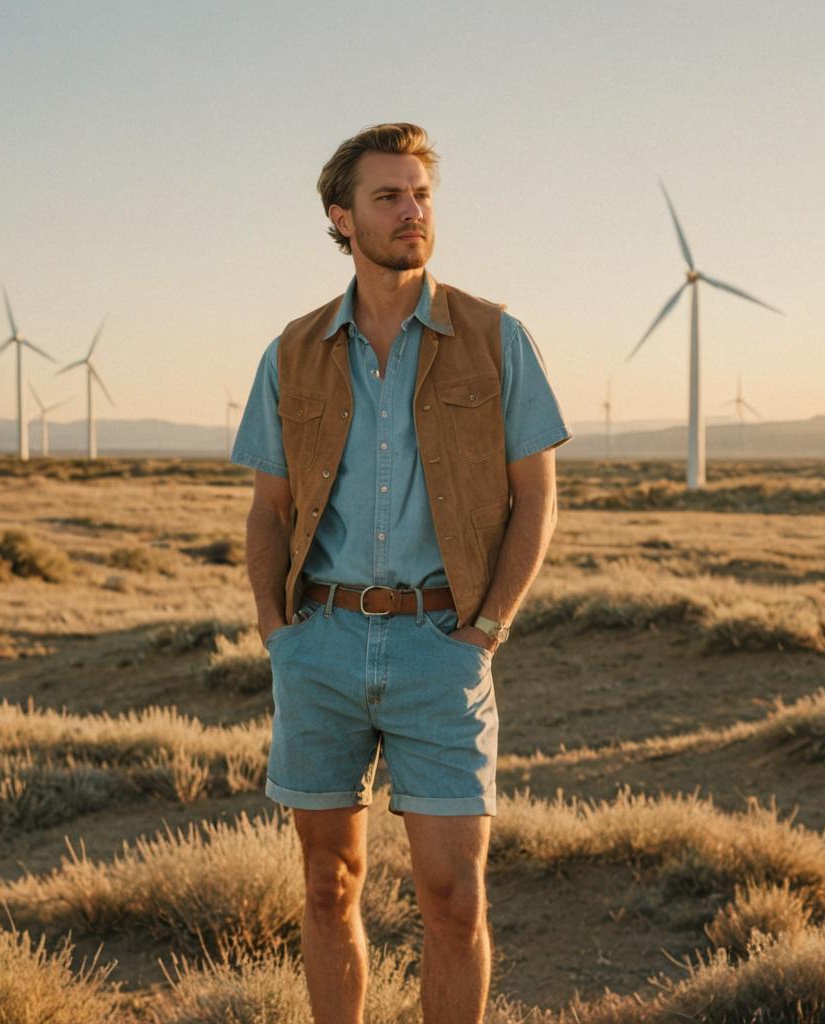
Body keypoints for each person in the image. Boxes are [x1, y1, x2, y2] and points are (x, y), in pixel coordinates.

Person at [231, 123, 571, 1024]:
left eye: (421, 194)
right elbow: (268, 510)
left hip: (440, 647)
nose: (412, 212)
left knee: (453, 898)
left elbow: (536, 497)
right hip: (323, 646)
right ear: (342, 218)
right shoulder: (294, 350)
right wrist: (278, 634)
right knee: (326, 885)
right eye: (388, 196)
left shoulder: (496, 338)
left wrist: (485, 631)